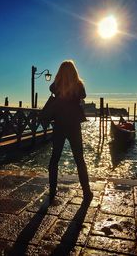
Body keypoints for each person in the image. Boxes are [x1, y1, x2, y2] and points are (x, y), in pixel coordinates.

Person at [48, 60, 93, 203]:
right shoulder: (79, 86)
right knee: (79, 159)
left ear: (60, 72)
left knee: (55, 158)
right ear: (74, 71)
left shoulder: (56, 86)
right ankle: (86, 192)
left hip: (59, 125)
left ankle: (52, 190)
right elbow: (83, 95)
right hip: (73, 125)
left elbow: (51, 88)